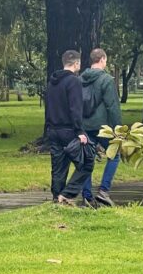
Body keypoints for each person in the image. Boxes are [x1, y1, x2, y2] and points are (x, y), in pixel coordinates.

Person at [44, 50, 95, 206]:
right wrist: (79, 131)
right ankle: (68, 194)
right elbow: (75, 108)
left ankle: (56, 196)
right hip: (69, 130)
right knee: (87, 161)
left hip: (52, 129)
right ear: (76, 63)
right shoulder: (74, 81)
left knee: (58, 165)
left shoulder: (52, 82)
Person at [80, 48, 122, 207]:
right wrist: (118, 129)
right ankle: (104, 191)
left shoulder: (80, 79)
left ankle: (86, 196)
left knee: (86, 159)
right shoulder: (106, 80)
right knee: (114, 155)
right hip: (103, 126)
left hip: (85, 125)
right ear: (102, 59)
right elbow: (112, 106)